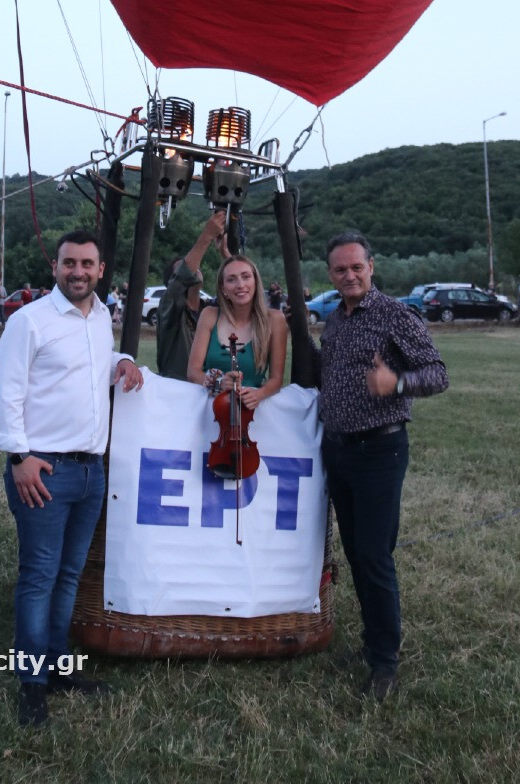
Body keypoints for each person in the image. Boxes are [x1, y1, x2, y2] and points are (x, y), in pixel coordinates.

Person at [0, 229, 144, 727]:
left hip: (90, 471)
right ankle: (32, 682)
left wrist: (123, 360)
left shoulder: (99, 317)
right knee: (39, 575)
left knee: (68, 574)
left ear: (101, 271)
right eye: (69, 263)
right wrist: (19, 457)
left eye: (86, 264)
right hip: (43, 469)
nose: (78, 271)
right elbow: (5, 393)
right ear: (55, 267)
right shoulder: (30, 321)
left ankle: (56, 668)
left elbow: (91, 365)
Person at [315, 231, 449, 701]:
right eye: (340, 269)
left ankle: (385, 663)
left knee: (374, 555)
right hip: (338, 450)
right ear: (330, 274)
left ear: (371, 267)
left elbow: (438, 374)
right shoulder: (335, 320)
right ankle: (373, 641)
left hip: (379, 450)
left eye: (357, 267)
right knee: (356, 553)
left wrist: (397, 383)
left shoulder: (395, 315)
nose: (349, 275)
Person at [187, 255, 287, 410]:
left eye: (246, 277)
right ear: (223, 289)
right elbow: (193, 372)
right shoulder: (209, 315)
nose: (240, 285)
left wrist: (259, 394)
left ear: (255, 281)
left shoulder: (275, 319)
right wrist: (219, 382)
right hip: (208, 406)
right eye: (231, 279)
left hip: (250, 409)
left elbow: (276, 380)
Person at [156, 209, 228, 380]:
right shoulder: (170, 310)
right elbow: (182, 277)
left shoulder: (209, 310)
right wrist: (206, 236)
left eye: (196, 266)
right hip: (178, 390)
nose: (194, 270)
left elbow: (240, 295)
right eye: (187, 267)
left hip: (209, 390)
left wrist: (225, 254)